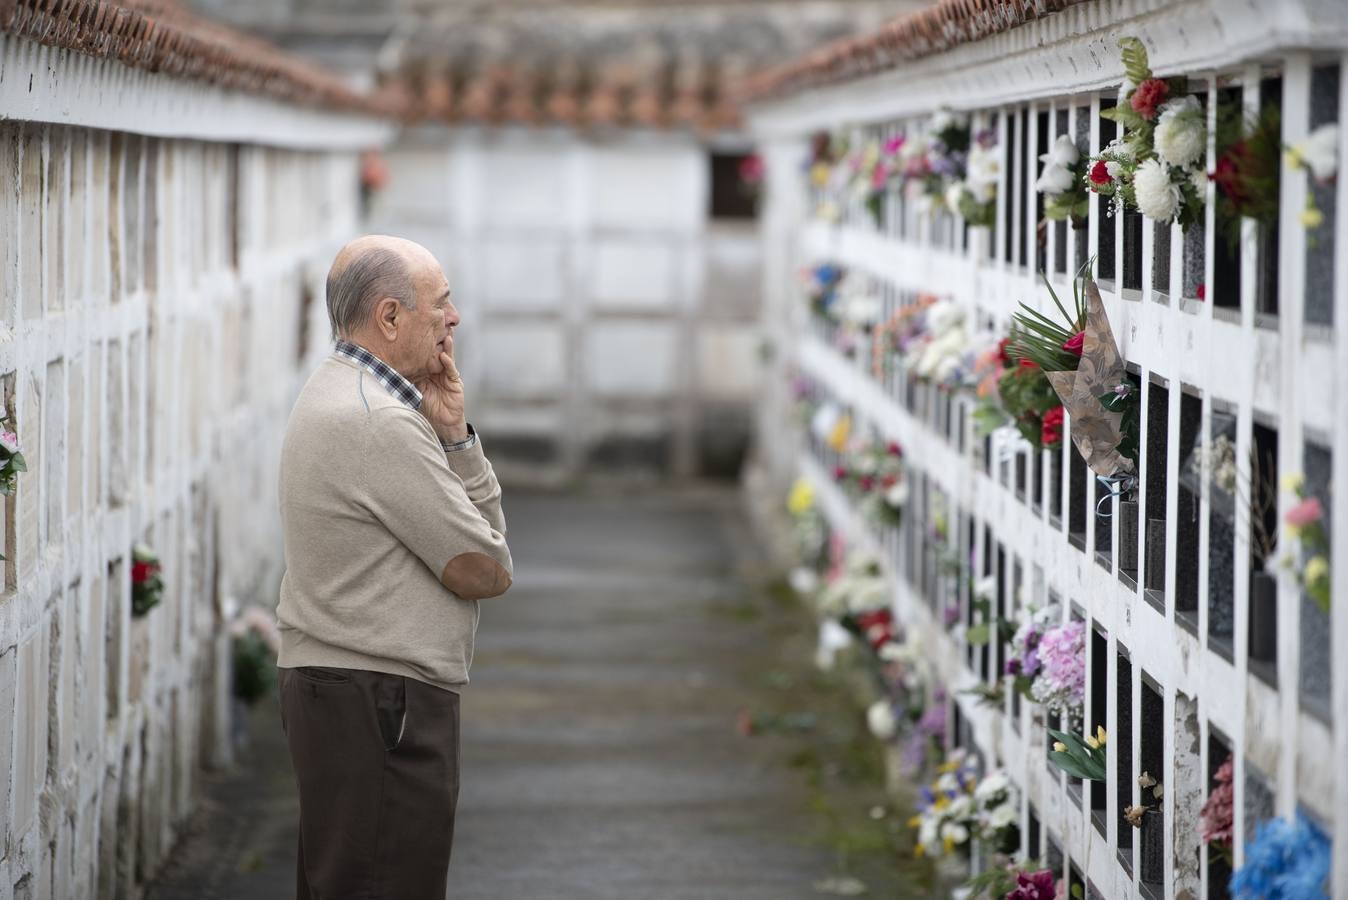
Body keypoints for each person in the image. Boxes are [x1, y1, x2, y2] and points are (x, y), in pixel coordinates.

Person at [275, 235, 513, 898]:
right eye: (441, 304)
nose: (454, 318)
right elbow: (484, 567)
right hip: (377, 699)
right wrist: (459, 448)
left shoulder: (340, 391)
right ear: (389, 317)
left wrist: (453, 435)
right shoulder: (377, 420)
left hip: (351, 691)